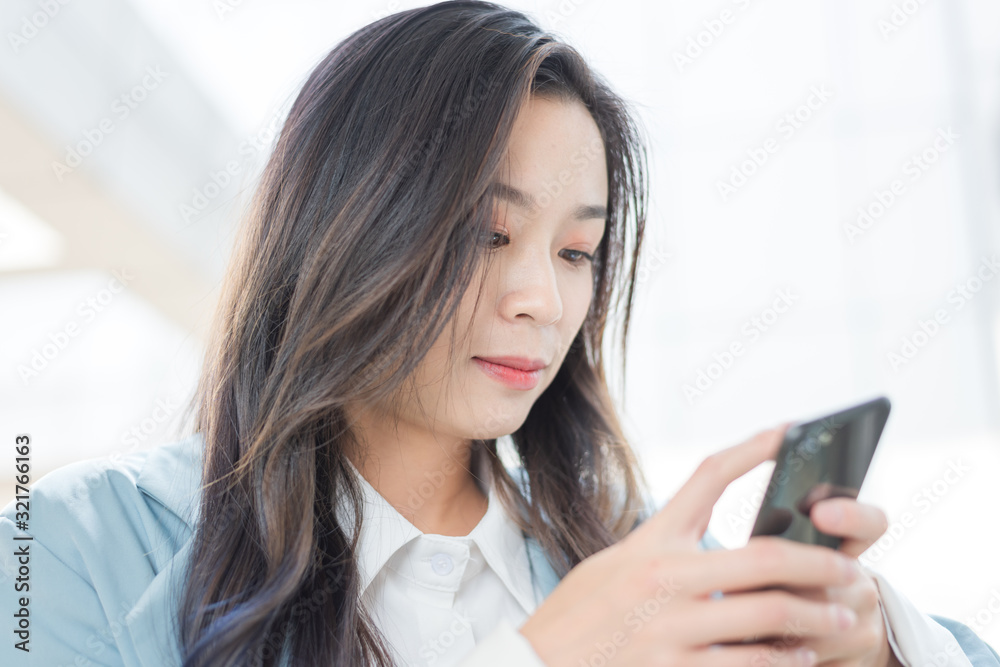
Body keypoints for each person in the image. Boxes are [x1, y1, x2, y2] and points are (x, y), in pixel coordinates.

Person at [1, 2, 997, 666]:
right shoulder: (67, 550)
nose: (542, 301)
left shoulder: (630, 556)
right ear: (344, 226)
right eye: (487, 233)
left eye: (577, 252)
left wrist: (872, 641)